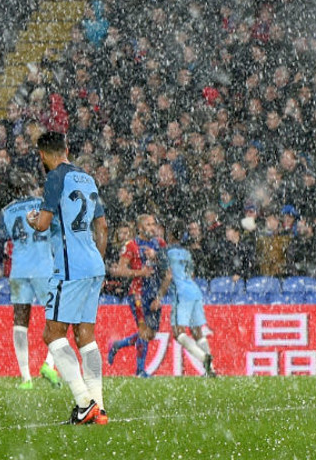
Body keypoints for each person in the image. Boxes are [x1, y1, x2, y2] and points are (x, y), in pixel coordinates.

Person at [26, 131, 109, 425]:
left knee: (52, 333)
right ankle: (98, 405)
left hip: (71, 267)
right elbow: (103, 228)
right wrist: (97, 259)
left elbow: (44, 223)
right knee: (86, 336)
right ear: (67, 148)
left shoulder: (54, 177)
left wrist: (33, 220)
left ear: (42, 155)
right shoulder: (87, 178)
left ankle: (83, 402)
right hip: (94, 265)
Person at [0, 172, 62, 389]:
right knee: (57, 319)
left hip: (19, 270)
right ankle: (48, 365)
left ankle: (26, 378)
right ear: (32, 186)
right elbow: (57, 232)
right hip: (44, 269)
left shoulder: (6, 211)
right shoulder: (45, 205)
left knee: (20, 323)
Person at [107, 213, 167, 378]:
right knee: (143, 331)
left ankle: (117, 345)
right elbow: (120, 270)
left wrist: (159, 296)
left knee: (150, 334)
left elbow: (167, 267)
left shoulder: (159, 244)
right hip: (138, 294)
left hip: (154, 293)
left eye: (153, 224)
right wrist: (140, 272)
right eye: (148, 224)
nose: (152, 227)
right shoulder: (131, 245)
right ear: (140, 228)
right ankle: (140, 371)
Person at [162, 220, 216, 377]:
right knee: (197, 331)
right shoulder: (187, 253)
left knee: (178, 333)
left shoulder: (167, 252)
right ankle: (211, 370)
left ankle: (203, 357)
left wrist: (159, 296)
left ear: (170, 234)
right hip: (194, 290)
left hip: (182, 293)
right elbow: (191, 274)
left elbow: (168, 276)